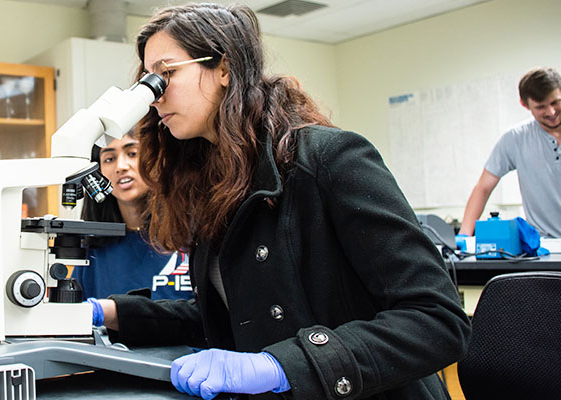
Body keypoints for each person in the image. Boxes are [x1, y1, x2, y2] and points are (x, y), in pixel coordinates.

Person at [87, 3, 471, 399]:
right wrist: (110, 313)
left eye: (166, 74)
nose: (155, 97)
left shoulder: (329, 159)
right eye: (149, 82)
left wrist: (281, 366)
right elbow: (234, 315)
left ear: (224, 67)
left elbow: (436, 321)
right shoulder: (213, 181)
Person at [72, 133, 192, 300]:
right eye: (109, 159)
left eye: (132, 154)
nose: (121, 166)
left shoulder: (189, 236)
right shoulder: (92, 252)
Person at [459, 66, 561, 238]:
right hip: (547, 249)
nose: (551, 112)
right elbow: (483, 188)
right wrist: (464, 235)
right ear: (525, 104)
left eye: (555, 102)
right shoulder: (516, 139)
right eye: (541, 107)